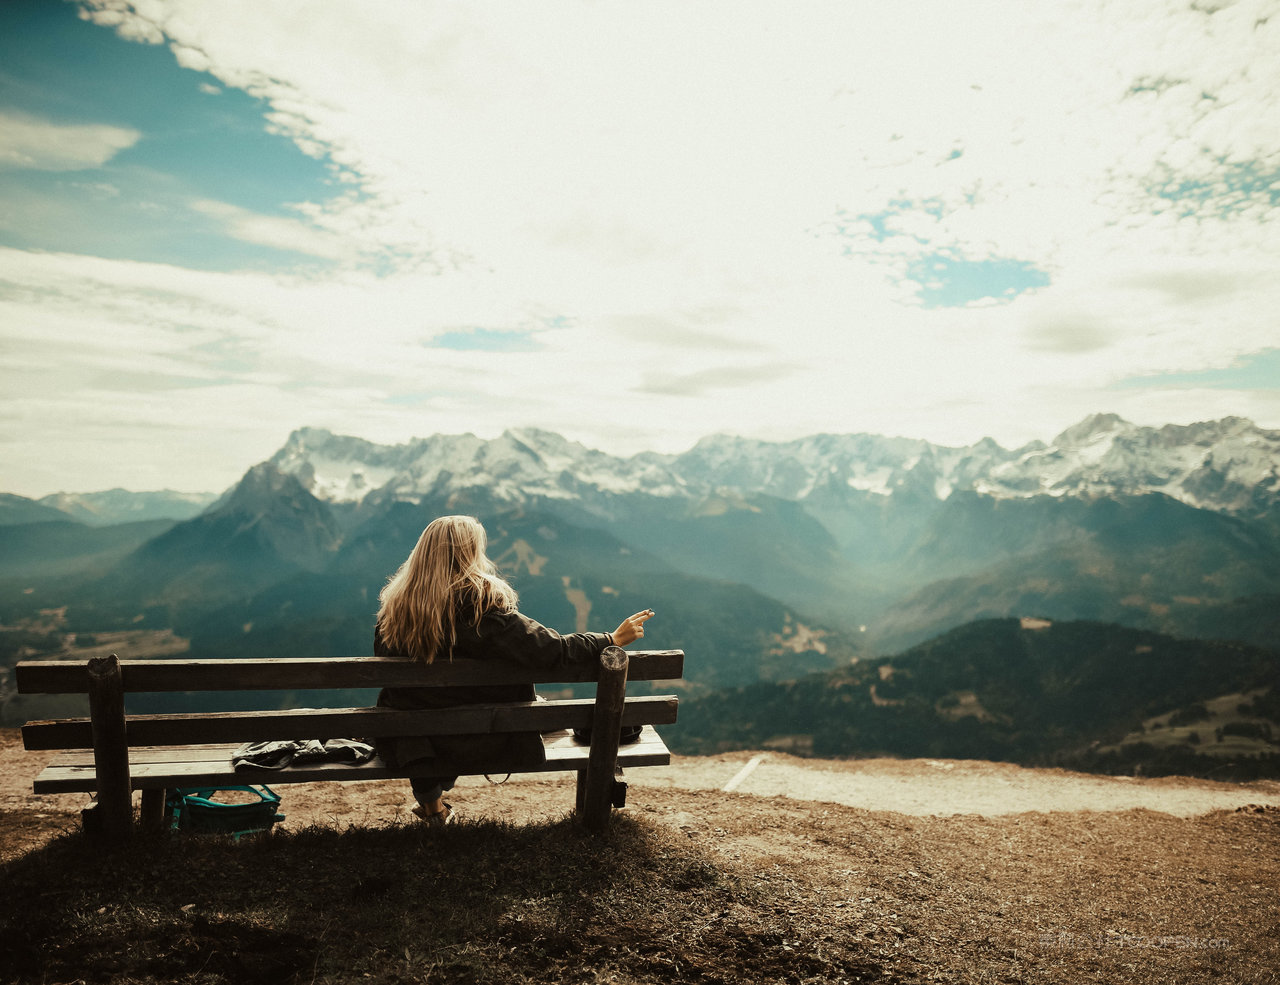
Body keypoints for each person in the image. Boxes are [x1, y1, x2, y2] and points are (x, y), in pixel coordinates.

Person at [373, 514, 654, 824]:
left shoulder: (393, 613)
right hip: (487, 736)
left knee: (421, 713)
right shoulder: (481, 608)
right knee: (549, 713)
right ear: (471, 555)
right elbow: (551, 650)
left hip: (416, 741)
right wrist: (610, 639)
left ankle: (433, 808)